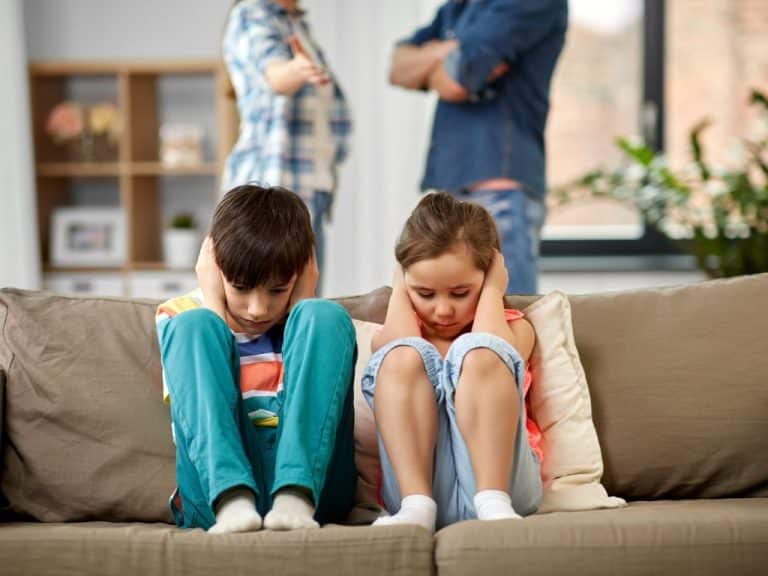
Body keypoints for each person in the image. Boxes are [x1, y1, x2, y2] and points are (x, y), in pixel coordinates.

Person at [155, 184, 357, 534]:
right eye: (241, 289)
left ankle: (294, 496)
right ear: (214, 269)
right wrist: (216, 306)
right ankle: (232, 500)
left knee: (324, 316)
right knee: (195, 326)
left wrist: (302, 306)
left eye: (277, 290)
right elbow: (201, 414)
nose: (258, 309)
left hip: (315, 493)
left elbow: (315, 406)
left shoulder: (313, 326)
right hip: (212, 494)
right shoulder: (180, 318)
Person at [361, 192, 543, 532]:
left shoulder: (515, 328)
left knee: (479, 351)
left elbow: (494, 348)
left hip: (505, 488)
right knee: (402, 355)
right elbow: (398, 348)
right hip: (419, 492)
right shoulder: (397, 337)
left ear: (490, 273)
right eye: (424, 294)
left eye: (461, 293)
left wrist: (492, 291)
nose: (443, 310)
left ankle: (493, 500)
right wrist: (401, 287)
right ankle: (416, 507)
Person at [389, 0, 568, 295]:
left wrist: (433, 59)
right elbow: (397, 67)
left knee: (509, 316)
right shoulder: (459, 6)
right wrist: (445, 52)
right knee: (451, 319)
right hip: (453, 184)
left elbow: (456, 80)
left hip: (499, 185)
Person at [222, 0, 352, 283]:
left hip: (311, 189)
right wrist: (295, 70)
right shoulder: (252, 13)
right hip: (269, 193)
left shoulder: (296, 23)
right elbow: (276, 74)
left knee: (304, 304)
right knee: (269, 305)